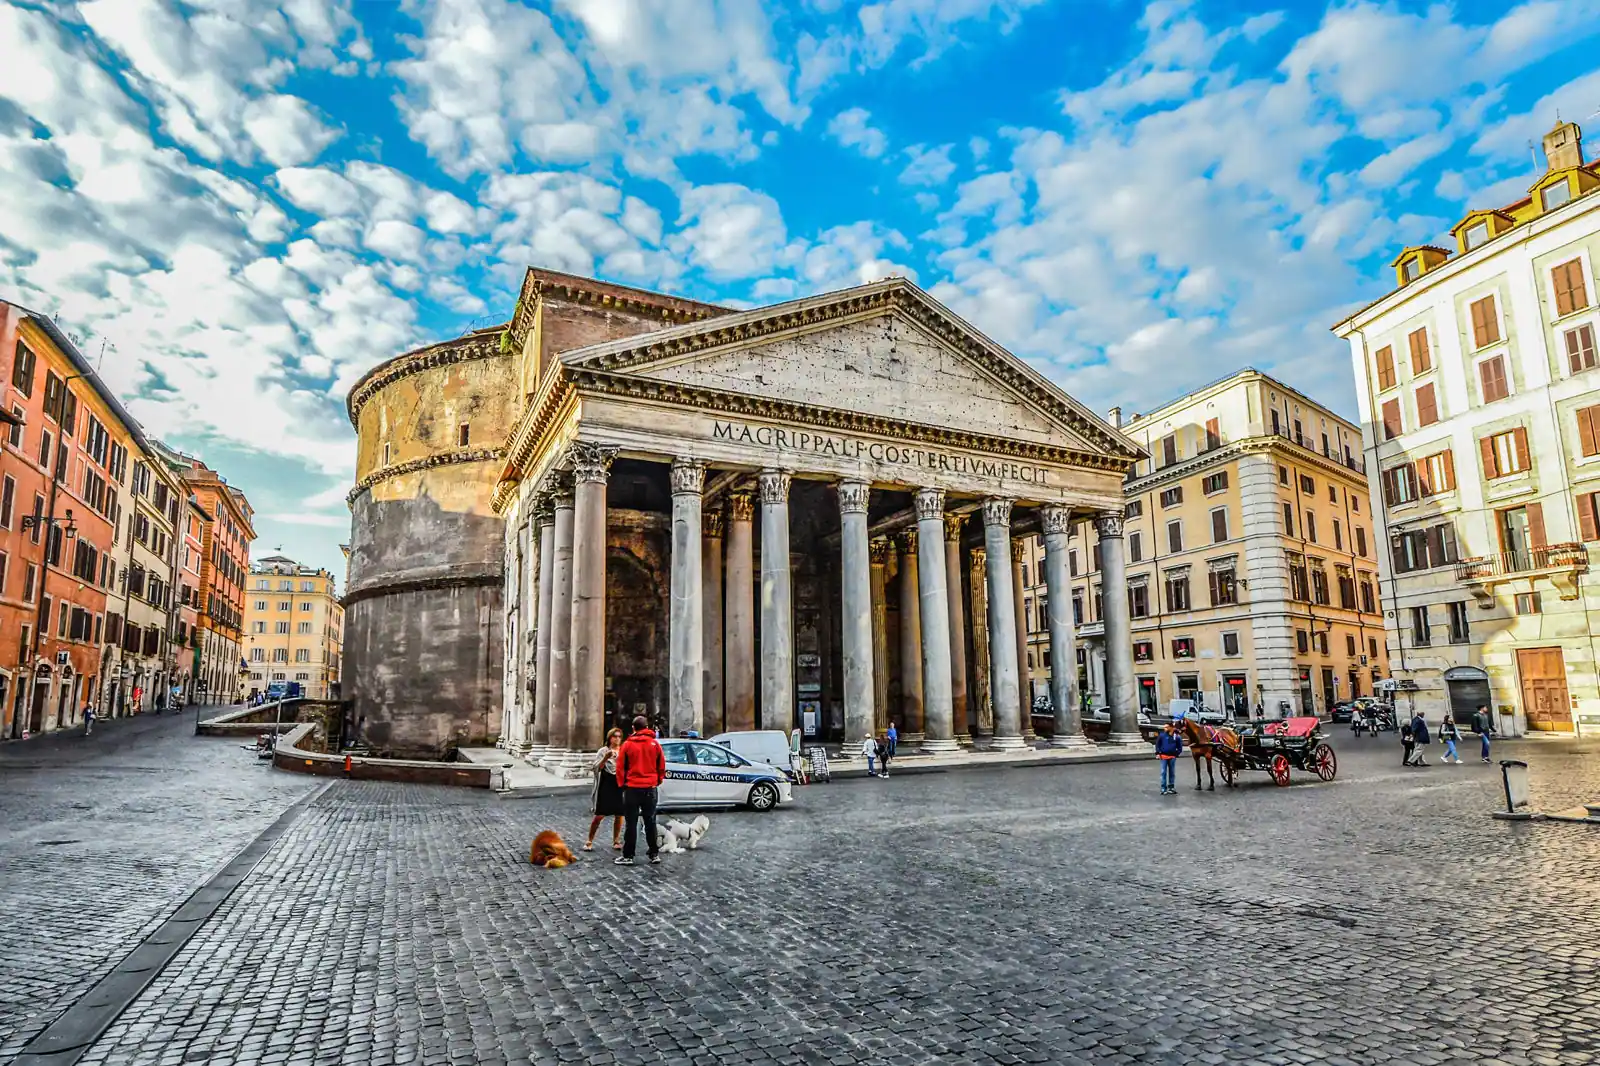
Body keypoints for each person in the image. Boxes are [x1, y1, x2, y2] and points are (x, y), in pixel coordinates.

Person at [614, 715, 666, 866]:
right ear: (647, 727)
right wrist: (656, 781)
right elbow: (661, 766)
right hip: (650, 788)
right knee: (650, 822)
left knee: (631, 823)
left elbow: (620, 768)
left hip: (632, 788)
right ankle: (654, 854)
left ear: (633, 728)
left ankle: (628, 856)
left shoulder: (627, 745)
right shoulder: (654, 744)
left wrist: (622, 784)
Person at [585, 727, 626, 851]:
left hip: (619, 783)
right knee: (599, 815)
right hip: (606, 783)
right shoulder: (603, 751)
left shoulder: (623, 750)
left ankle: (616, 840)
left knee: (619, 814)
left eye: (619, 736)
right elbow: (597, 767)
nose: (617, 739)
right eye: (615, 736)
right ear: (610, 738)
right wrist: (606, 758)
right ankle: (589, 840)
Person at [1154, 721, 1182, 794]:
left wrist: (1176, 754)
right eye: (1164, 727)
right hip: (1163, 756)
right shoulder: (1162, 735)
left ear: (1171, 727)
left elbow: (1180, 747)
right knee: (1163, 772)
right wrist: (1157, 753)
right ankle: (1163, 788)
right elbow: (1157, 744)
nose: (1164, 728)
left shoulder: (1177, 737)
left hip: (1172, 757)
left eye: (1166, 727)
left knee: (1172, 772)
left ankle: (1171, 787)